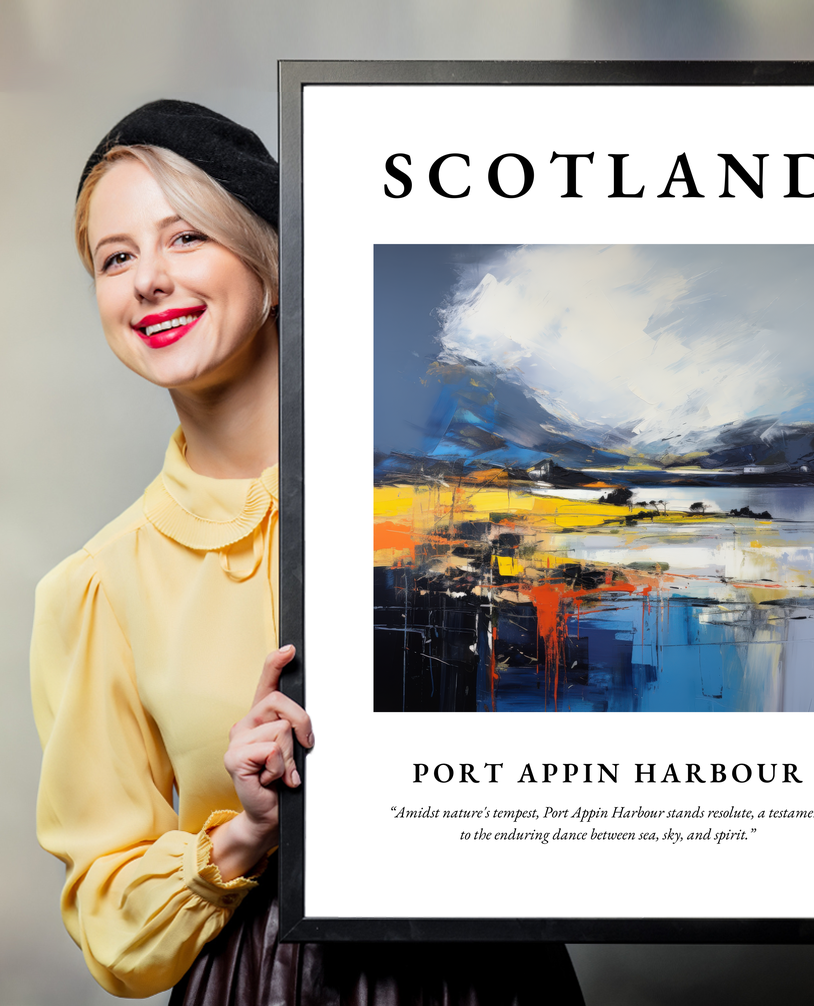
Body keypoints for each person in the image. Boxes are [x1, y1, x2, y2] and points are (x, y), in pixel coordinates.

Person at [30, 100, 585, 1004]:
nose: (148, 281)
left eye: (185, 239)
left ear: (273, 264)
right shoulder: (97, 587)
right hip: (263, 981)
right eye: (116, 257)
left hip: (491, 973)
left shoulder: (460, 500)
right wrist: (245, 832)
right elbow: (110, 923)